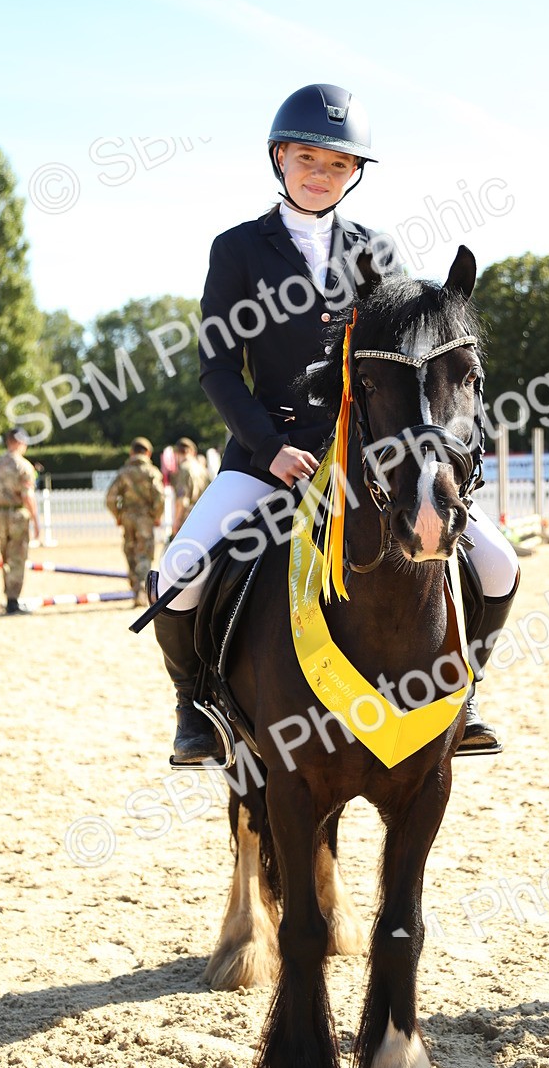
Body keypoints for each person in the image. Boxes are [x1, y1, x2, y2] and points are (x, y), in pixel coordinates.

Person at [152, 83, 520, 765]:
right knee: (178, 572)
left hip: (370, 451)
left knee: (497, 562)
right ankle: (196, 709)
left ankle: (463, 696)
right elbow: (218, 370)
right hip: (270, 447)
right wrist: (269, 448)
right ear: (278, 159)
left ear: (354, 175)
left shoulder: (376, 251)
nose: (320, 176)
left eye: (337, 165)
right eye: (307, 161)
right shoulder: (236, 250)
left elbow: (409, 366)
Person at [0, 426, 40, 615]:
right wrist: (35, 520)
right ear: (19, 442)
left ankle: (9, 596)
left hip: (0, 516)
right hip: (17, 515)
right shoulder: (23, 466)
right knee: (17, 558)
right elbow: (28, 496)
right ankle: (13, 601)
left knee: (5, 557)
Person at [106, 437, 165, 607]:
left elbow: (110, 498)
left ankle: (134, 589)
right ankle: (141, 592)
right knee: (144, 553)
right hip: (145, 519)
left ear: (132, 452)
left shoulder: (123, 472)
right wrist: (156, 515)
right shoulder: (152, 472)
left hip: (127, 517)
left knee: (130, 550)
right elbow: (159, 497)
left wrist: (118, 515)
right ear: (148, 453)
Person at [170, 438, 210, 536]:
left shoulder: (184, 469)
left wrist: (176, 522)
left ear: (177, 453)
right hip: (202, 516)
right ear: (193, 452)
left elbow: (182, 500)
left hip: (187, 518)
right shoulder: (202, 470)